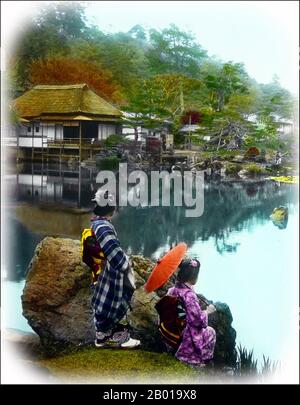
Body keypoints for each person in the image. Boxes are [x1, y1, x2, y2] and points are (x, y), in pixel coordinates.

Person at [90, 189, 140, 349]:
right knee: (112, 302)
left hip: (102, 269)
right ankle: (111, 338)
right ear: (112, 208)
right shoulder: (103, 227)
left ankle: (104, 335)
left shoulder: (98, 223)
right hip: (110, 272)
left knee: (105, 303)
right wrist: (128, 266)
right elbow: (115, 254)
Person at [167, 258, 216, 366]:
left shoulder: (172, 290)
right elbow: (197, 321)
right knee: (211, 332)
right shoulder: (189, 295)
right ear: (194, 277)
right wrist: (207, 311)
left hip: (174, 329)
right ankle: (201, 360)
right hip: (186, 335)